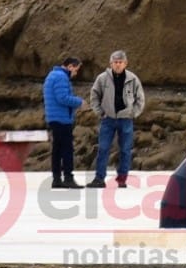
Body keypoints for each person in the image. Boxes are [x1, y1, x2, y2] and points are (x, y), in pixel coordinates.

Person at [87, 50, 146, 188]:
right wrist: (100, 112)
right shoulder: (102, 78)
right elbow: (94, 96)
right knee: (103, 148)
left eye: (120, 62)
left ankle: (122, 179)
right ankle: (99, 178)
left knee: (125, 150)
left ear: (125, 63)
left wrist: (134, 113)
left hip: (126, 120)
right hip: (108, 119)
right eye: (115, 62)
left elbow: (140, 98)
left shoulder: (133, 79)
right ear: (110, 63)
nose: (118, 65)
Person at [43, 57, 85, 189]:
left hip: (54, 118)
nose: (76, 74)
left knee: (57, 149)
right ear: (71, 66)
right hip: (62, 119)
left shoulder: (52, 75)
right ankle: (68, 178)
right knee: (67, 149)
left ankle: (56, 179)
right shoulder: (61, 77)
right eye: (76, 70)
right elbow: (62, 98)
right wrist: (79, 102)